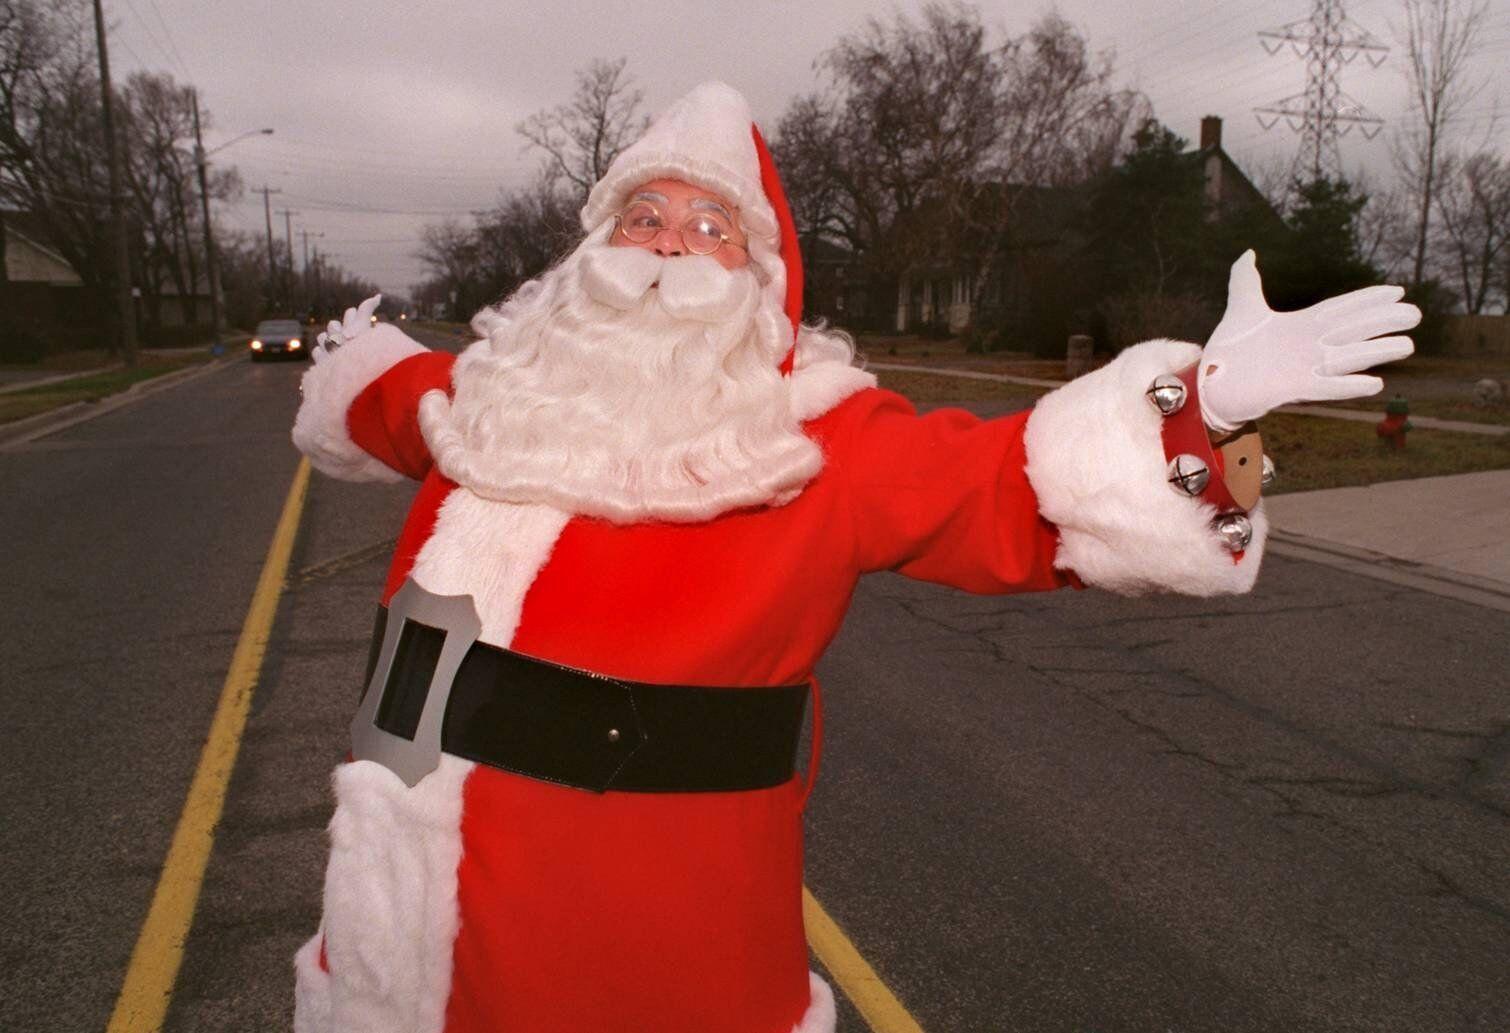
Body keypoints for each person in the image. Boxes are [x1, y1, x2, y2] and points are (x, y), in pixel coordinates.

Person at [288, 81, 1418, 1033]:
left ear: (761, 277)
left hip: (656, 947)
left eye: (712, 224)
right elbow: (373, 395)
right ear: (595, 247)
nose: (672, 242)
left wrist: (1206, 409)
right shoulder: (481, 398)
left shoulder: (813, 438)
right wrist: (347, 351)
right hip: (399, 935)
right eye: (645, 213)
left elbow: (1009, 483)